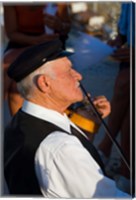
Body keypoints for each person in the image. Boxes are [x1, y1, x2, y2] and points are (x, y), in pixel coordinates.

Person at [4, 39, 130, 198]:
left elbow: (70, 170)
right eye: (70, 71)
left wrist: (89, 125)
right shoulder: (62, 148)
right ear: (45, 83)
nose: (79, 76)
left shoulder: (19, 122)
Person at [3, 3, 71, 116]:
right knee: (8, 70)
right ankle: (20, 128)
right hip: (22, 43)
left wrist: (59, 25)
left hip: (50, 44)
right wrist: (37, 40)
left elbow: (67, 27)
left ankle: (20, 129)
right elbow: (12, 34)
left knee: (13, 79)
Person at [98, 2, 135, 194]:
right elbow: (125, 26)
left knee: (126, 87)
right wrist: (118, 40)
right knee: (124, 90)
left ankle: (109, 151)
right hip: (129, 54)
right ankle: (124, 167)